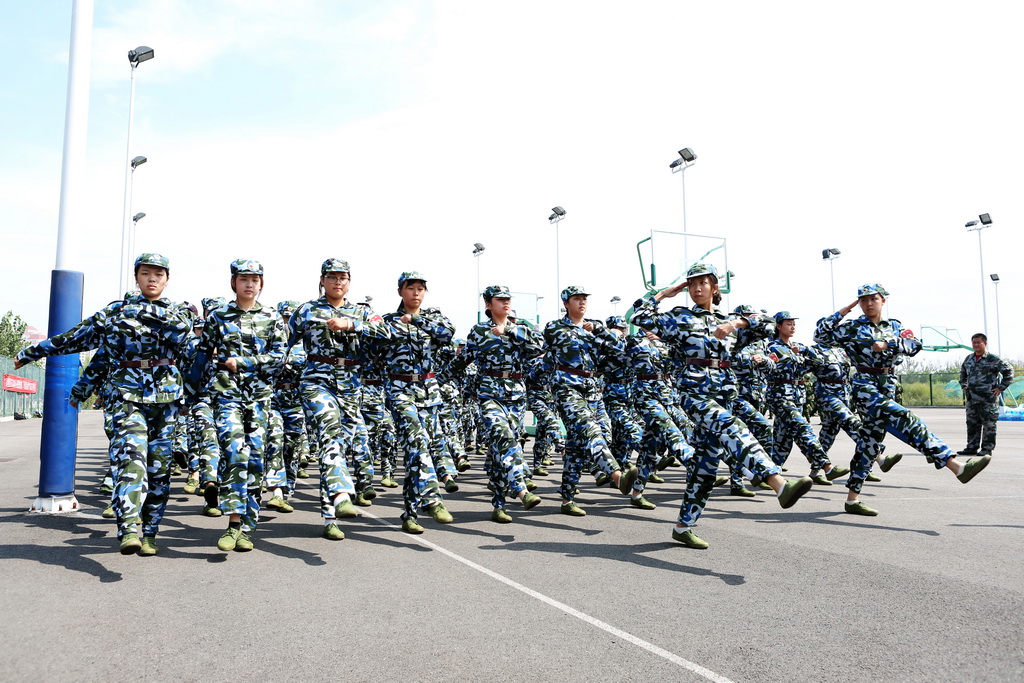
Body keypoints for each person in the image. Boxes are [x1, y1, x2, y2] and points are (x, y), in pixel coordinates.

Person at [16, 254, 192, 556]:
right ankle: (129, 528)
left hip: (165, 399)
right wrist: (34, 351)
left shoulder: (179, 312)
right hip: (125, 394)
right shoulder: (115, 312)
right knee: (131, 460)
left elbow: (186, 339)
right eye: (145, 273)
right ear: (136, 277)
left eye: (158, 274)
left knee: (159, 470)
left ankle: (150, 532)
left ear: (167, 279)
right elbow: (76, 337)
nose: (152, 279)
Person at [631, 263, 814, 549]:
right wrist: (667, 293)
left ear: (715, 287)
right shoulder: (679, 318)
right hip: (694, 394)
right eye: (692, 284)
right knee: (733, 427)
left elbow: (769, 323)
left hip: (724, 394)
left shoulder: (730, 323)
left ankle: (683, 527)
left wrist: (737, 324)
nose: (696, 288)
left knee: (705, 467)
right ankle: (779, 484)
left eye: (703, 283)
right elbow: (639, 316)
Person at [816, 284, 992, 516]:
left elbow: (914, 345)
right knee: (906, 418)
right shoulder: (851, 327)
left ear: (883, 301)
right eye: (863, 300)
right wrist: (844, 310)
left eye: (873, 299)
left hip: (888, 384)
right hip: (865, 386)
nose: (868, 304)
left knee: (869, 444)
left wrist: (889, 344)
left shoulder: (895, 326)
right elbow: (820, 334)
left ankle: (852, 500)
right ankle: (955, 465)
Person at [289, 258, 391, 540]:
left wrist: (351, 325)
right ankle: (343, 495)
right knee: (329, 433)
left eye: (342, 277)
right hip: (316, 382)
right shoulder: (306, 310)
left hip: (350, 386)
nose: (337, 282)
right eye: (332, 277)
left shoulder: (362, 312)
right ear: (322, 280)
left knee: (336, 448)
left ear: (349, 281)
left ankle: (330, 517)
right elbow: (283, 343)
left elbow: (386, 332)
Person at [197, 259, 288, 552]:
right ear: (233, 282)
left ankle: (248, 528)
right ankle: (233, 522)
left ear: (261, 284)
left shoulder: (272, 317)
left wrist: (246, 362)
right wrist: (192, 393)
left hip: (259, 398)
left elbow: (279, 357)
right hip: (227, 395)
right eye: (244, 279)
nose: (249, 284)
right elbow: (201, 356)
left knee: (256, 459)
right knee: (235, 452)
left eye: (255, 279)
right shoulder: (219, 317)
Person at [544, 286, 639, 517]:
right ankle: (617, 476)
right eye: (576, 299)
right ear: (566, 304)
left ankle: (567, 498)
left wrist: (601, 331)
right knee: (590, 431)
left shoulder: (596, 327)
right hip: (567, 388)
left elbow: (620, 352)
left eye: (584, 299)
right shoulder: (555, 327)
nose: (582, 302)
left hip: (593, 389)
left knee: (581, 445)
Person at [375, 271, 457, 534]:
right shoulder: (387, 321)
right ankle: (433, 498)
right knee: (417, 442)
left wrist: (417, 320)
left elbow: (447, 334)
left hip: (428, 391)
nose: (416, 292)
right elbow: (373, 351)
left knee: (416, 455)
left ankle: (410, 514)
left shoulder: (434, 318)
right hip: (400, 391)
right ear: (401, 291)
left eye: (421, 288)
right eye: (411, 288)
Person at [465, 285, 544, 522]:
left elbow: (539, 348)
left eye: (508, 299)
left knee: (504, 448)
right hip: (489, 394)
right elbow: (464, 359)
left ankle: (499, 505)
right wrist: (438, 381)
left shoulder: (521, 330)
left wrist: (509, 331)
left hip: (516, 396)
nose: (506, 302)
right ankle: (521, 490)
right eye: (500, 299)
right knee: (504, 438)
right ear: (489, 304)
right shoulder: (479, 331)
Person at [765, 312, 849, 485]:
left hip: (797, 396)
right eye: (788, 324)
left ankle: (770, 474)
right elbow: (774, 369)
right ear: (779, 326)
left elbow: (815, 363)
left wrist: (805, 354)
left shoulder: (799, 346)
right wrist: (797, 359)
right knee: (803, 428)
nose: (792, 327)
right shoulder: (773, 347)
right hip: (780, 395)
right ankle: (827, 467)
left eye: (793, 324)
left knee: (783, 438)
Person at [958, 333, 1014, 457]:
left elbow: (1009, 371)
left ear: (985, 343)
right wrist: (964, 385)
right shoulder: (969, 359)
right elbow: (963, 373)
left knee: (989, 424)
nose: (976, 345)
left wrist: (1001, 387)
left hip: (988, 399)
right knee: (972, 423)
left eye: (979, 342)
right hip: (972, 398)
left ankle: (987, 449)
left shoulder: (993, 359)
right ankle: (971, 447)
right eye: (974, 342)